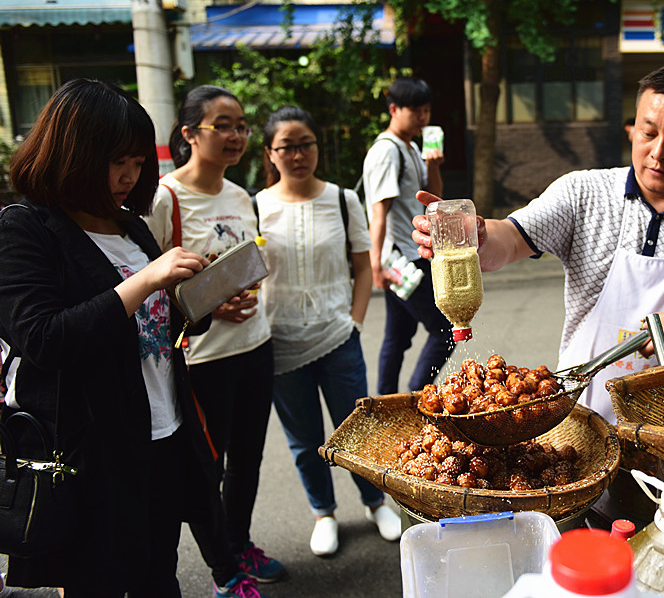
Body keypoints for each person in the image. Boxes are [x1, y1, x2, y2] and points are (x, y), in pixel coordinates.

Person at [412, 61, 664, 421]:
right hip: (583, 425)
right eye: (648, 133)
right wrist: (476, 238)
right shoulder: (584, 194)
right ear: (632, 128)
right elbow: (511, 238)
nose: (658, 153)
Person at [0, 78, 217, 596]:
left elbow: (155, 328)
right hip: (89, 453)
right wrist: (145, 280)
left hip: (162, 432)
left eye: (139, 162)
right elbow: (43, 337)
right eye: (117, 161)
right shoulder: (25, 228)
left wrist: (202, 298)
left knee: (157, 575)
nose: (129, 176)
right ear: (72, 153)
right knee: (95, 581)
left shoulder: (128, 224)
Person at [145, 86, 284, 597]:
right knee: (210, 467)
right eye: (222, 125)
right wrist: (206, 304)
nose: (236, 135)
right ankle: (225, 571)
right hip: (204, 358)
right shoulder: (166, 198)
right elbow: (150, 281)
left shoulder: (239, 194)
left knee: (250, 458)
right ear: (189, 134)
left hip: (255, 345)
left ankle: (240, 543)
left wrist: (241, 285)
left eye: (241, 125)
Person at [255, 106, 402, 556]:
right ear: (270, 153)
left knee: (355, 428)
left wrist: (354, 321)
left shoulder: (343, 199)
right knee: (304, 440)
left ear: (318, 146)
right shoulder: (255, 205)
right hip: (279, 341)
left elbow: (363, 266)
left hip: (339, 337)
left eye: (306, 144)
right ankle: (324, 512)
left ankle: (375, 502)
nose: (298, 155)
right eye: (287, 147)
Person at [363, 77, 455, 395]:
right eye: (415, 110)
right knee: (444, 330)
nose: (423, 118)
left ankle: (387, 400)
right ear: (394, 109)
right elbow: (379, 212)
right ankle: (419, 395)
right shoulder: (386, 152)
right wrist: (375, 264)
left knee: (397, 336)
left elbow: (434, 202)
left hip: (411, 254)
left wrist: (435, 167)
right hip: (402, 259)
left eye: (427, 110)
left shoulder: (413, 149)